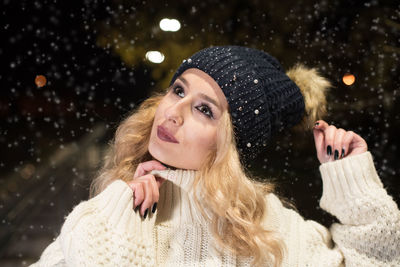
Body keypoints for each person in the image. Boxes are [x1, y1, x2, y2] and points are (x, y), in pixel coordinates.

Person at [31, 46, 400, 267]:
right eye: (178, 90)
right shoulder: (125, 207)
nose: (173, 112)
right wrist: (119, 209)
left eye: (205, 110)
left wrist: (354, 186)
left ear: (233, 144)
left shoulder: (272, 230)